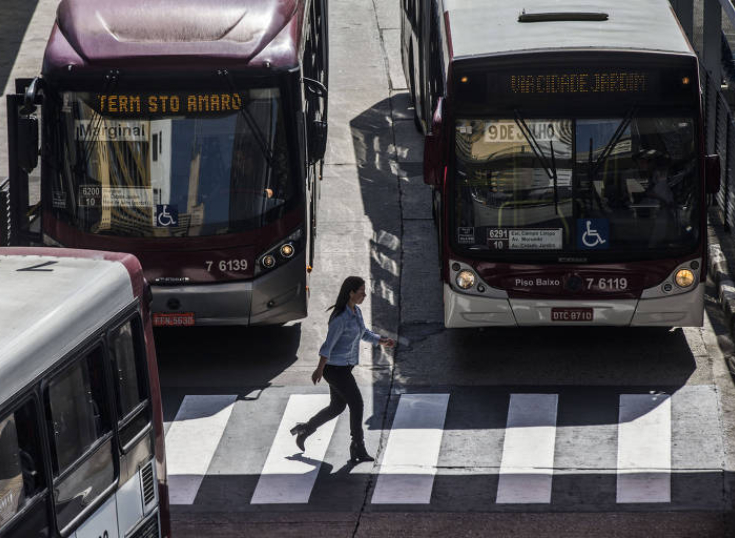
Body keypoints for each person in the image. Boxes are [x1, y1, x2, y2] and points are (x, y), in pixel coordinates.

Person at [290, 276, 395, 463]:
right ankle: (358, 446)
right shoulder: (340, 318)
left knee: (337, 406)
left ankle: (305, 429)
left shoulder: (356, 312)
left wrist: (381, 340)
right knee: (357, 403)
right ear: (351, 293)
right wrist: (319, 370)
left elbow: (363, 333)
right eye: (361, 290)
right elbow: (328, 346)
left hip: (344, 368)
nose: (364, 294)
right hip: (334, 370)